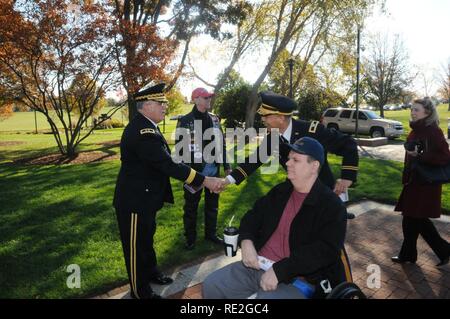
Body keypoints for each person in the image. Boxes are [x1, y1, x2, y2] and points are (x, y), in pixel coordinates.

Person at [202, 137, 349, 299]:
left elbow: (325, 251)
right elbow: (252, 217)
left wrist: (281, 271)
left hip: (298, 279)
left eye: (295, 160)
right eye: (289, 158)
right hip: (257, 266)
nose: (287, 163)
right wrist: (247, 241)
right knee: (212, 285)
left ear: (314, 166)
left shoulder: (331, 206)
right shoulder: (280, 192)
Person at [113, 83, 223, 299]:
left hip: (145, 198)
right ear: (147, 105)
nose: (165, 107)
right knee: (135, 247)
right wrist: (204, 180)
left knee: (146, 240)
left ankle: (151, 273)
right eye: (161, 103)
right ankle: (140, 291)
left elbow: (168, 162)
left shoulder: (148, 126)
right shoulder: (143, 131)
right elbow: (168, 165)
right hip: (134, 201)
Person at [222, 91, 359, 200]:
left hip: (322, 194)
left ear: (281, 118)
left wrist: (347, 177)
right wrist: (226, 181)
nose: (262, 119)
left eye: (266, 116)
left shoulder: (312, 131)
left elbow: (349, 144)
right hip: (295, 192)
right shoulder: (273, 138)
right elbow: (253, 162)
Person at [392, 97, 450, 267]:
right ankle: (409, 254)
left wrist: (421, 156)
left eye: (416, 109)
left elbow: (445, 157)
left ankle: (438, 250)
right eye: (412, 109)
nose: (412, 112)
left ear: (427, 112)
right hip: (414, 181)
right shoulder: (415, 130)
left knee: (417, 220)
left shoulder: (433, 131)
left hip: (426, 184)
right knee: (410, 219)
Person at [176, 87, 231, 250]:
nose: (209, 100)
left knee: (212, 205)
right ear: (196, 99)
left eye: (209, 97)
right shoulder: (185, 120)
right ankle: (190, 238)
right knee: (191, 207)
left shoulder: (215, 119)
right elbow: (181, 149)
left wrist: (226, 165)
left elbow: (221, 143)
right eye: (206, 97)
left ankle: (211, 234)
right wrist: (187, 172)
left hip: (213, 170)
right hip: (194, 172)